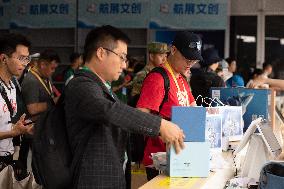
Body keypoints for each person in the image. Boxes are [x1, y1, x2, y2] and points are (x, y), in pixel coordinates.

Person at [64, 25, 185, 189]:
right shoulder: (81, 84)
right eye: (121, 57)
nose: (124, 64)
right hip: (93, 180)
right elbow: (109, 111)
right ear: (101, 53)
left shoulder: (101, 86)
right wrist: (160, 125)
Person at [136, 31, 202, 180]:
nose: (190, 63)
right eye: (187, 58)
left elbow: (194, 110)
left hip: (182, 157)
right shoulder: (157, 79)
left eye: (194, 60)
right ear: (173, 50)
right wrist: (162, 128)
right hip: (161, 160)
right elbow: (139, 117)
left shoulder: (182, 79)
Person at [19, 49, 60, 170]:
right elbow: (32, 109)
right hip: (33, 129)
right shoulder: (31, 81)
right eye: (52, 68)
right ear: (43, 65)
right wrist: (54, 102)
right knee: (38, 166)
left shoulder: (46, 77)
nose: (53, 72)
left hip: (43, 127)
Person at [0, 33, 33, 169]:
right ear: (3, 59)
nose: (25, 64)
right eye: (21, 58)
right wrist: (13, 132)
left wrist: (24, 128)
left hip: (8, 157)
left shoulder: (13, 84)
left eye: (27, 59)